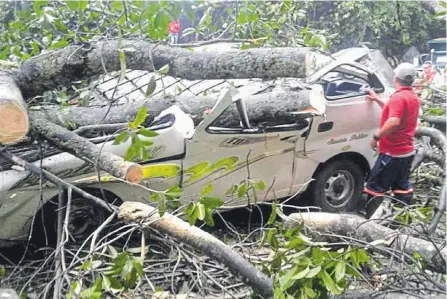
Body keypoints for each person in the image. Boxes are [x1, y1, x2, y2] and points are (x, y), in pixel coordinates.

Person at [364, 62, 421, 218]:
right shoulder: (412, 97)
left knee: (375, 187)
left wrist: (376, 137)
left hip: (392, 153)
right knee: (401, 186)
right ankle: (402, 217)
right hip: (406, 152)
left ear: (395, 78)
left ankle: (369, 223)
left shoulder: (398, 97)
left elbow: (394, 121)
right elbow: (395, 112)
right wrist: (376, 99)